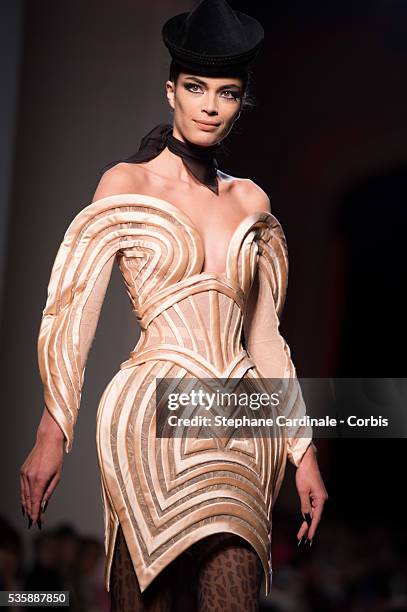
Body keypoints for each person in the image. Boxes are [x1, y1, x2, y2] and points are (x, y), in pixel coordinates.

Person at [20, 0, 328, 610]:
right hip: (149, 422)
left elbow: (266, 340)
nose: (211, 105)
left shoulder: (252, 203)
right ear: (171, 91)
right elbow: (71, 309)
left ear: (242, 101)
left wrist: (304, 451)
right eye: (196, 88)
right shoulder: (127, 185)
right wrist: (53, 429)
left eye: (228, 93)